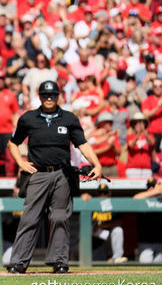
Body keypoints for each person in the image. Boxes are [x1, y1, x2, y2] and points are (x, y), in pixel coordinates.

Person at [6, 80, 102, 274]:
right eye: (45, 95)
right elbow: (12, 143)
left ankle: (59, 261)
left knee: (60, 217)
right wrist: (20, 163)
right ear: (40, 96)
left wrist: (97, 163)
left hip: (62, 173)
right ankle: (18, 262)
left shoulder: (69, 119)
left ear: (59, 96)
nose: (49, 98)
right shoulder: (28, 118)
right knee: (30, 218)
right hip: (38, 173)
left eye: (52, 95)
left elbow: (82, 144)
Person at [81, 184, 127, 263]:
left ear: (109, 193)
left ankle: (117, 258)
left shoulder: (114, 204)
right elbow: (83, 197)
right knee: (96, 262)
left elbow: (119, 222)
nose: (102, 195)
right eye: (100, 193)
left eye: (105, 193)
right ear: (97, 194)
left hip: (109, 235)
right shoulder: (92, 202)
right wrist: (84, 196)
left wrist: (102, 225)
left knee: (118, 230)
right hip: (95, 239)